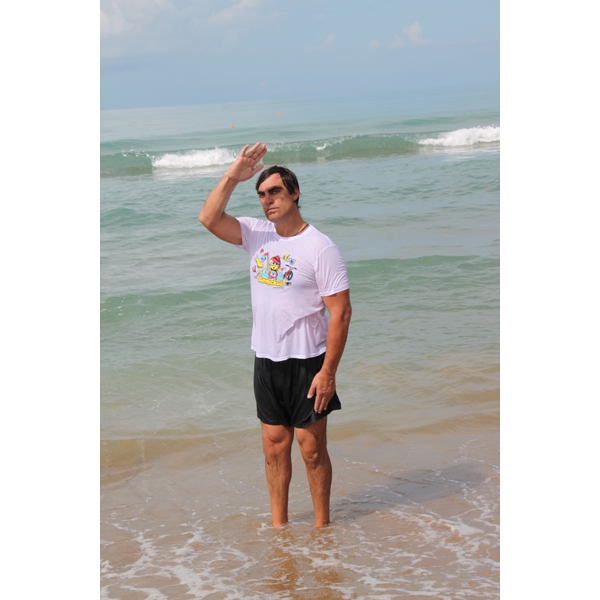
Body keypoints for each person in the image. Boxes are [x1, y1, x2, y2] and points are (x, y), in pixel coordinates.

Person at [199, 142, 352, 528]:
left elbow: (341, 313)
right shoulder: (256, 234)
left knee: (311, 448)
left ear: (295, 193)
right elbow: (208, 217)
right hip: (267, 359)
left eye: (275, 191)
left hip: (308, 361)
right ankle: (279, 528)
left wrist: (328, 372)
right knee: (273, 446)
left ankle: (322, 529)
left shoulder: (320, 247)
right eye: (262, 194)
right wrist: (232, 176)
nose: (267, 199)